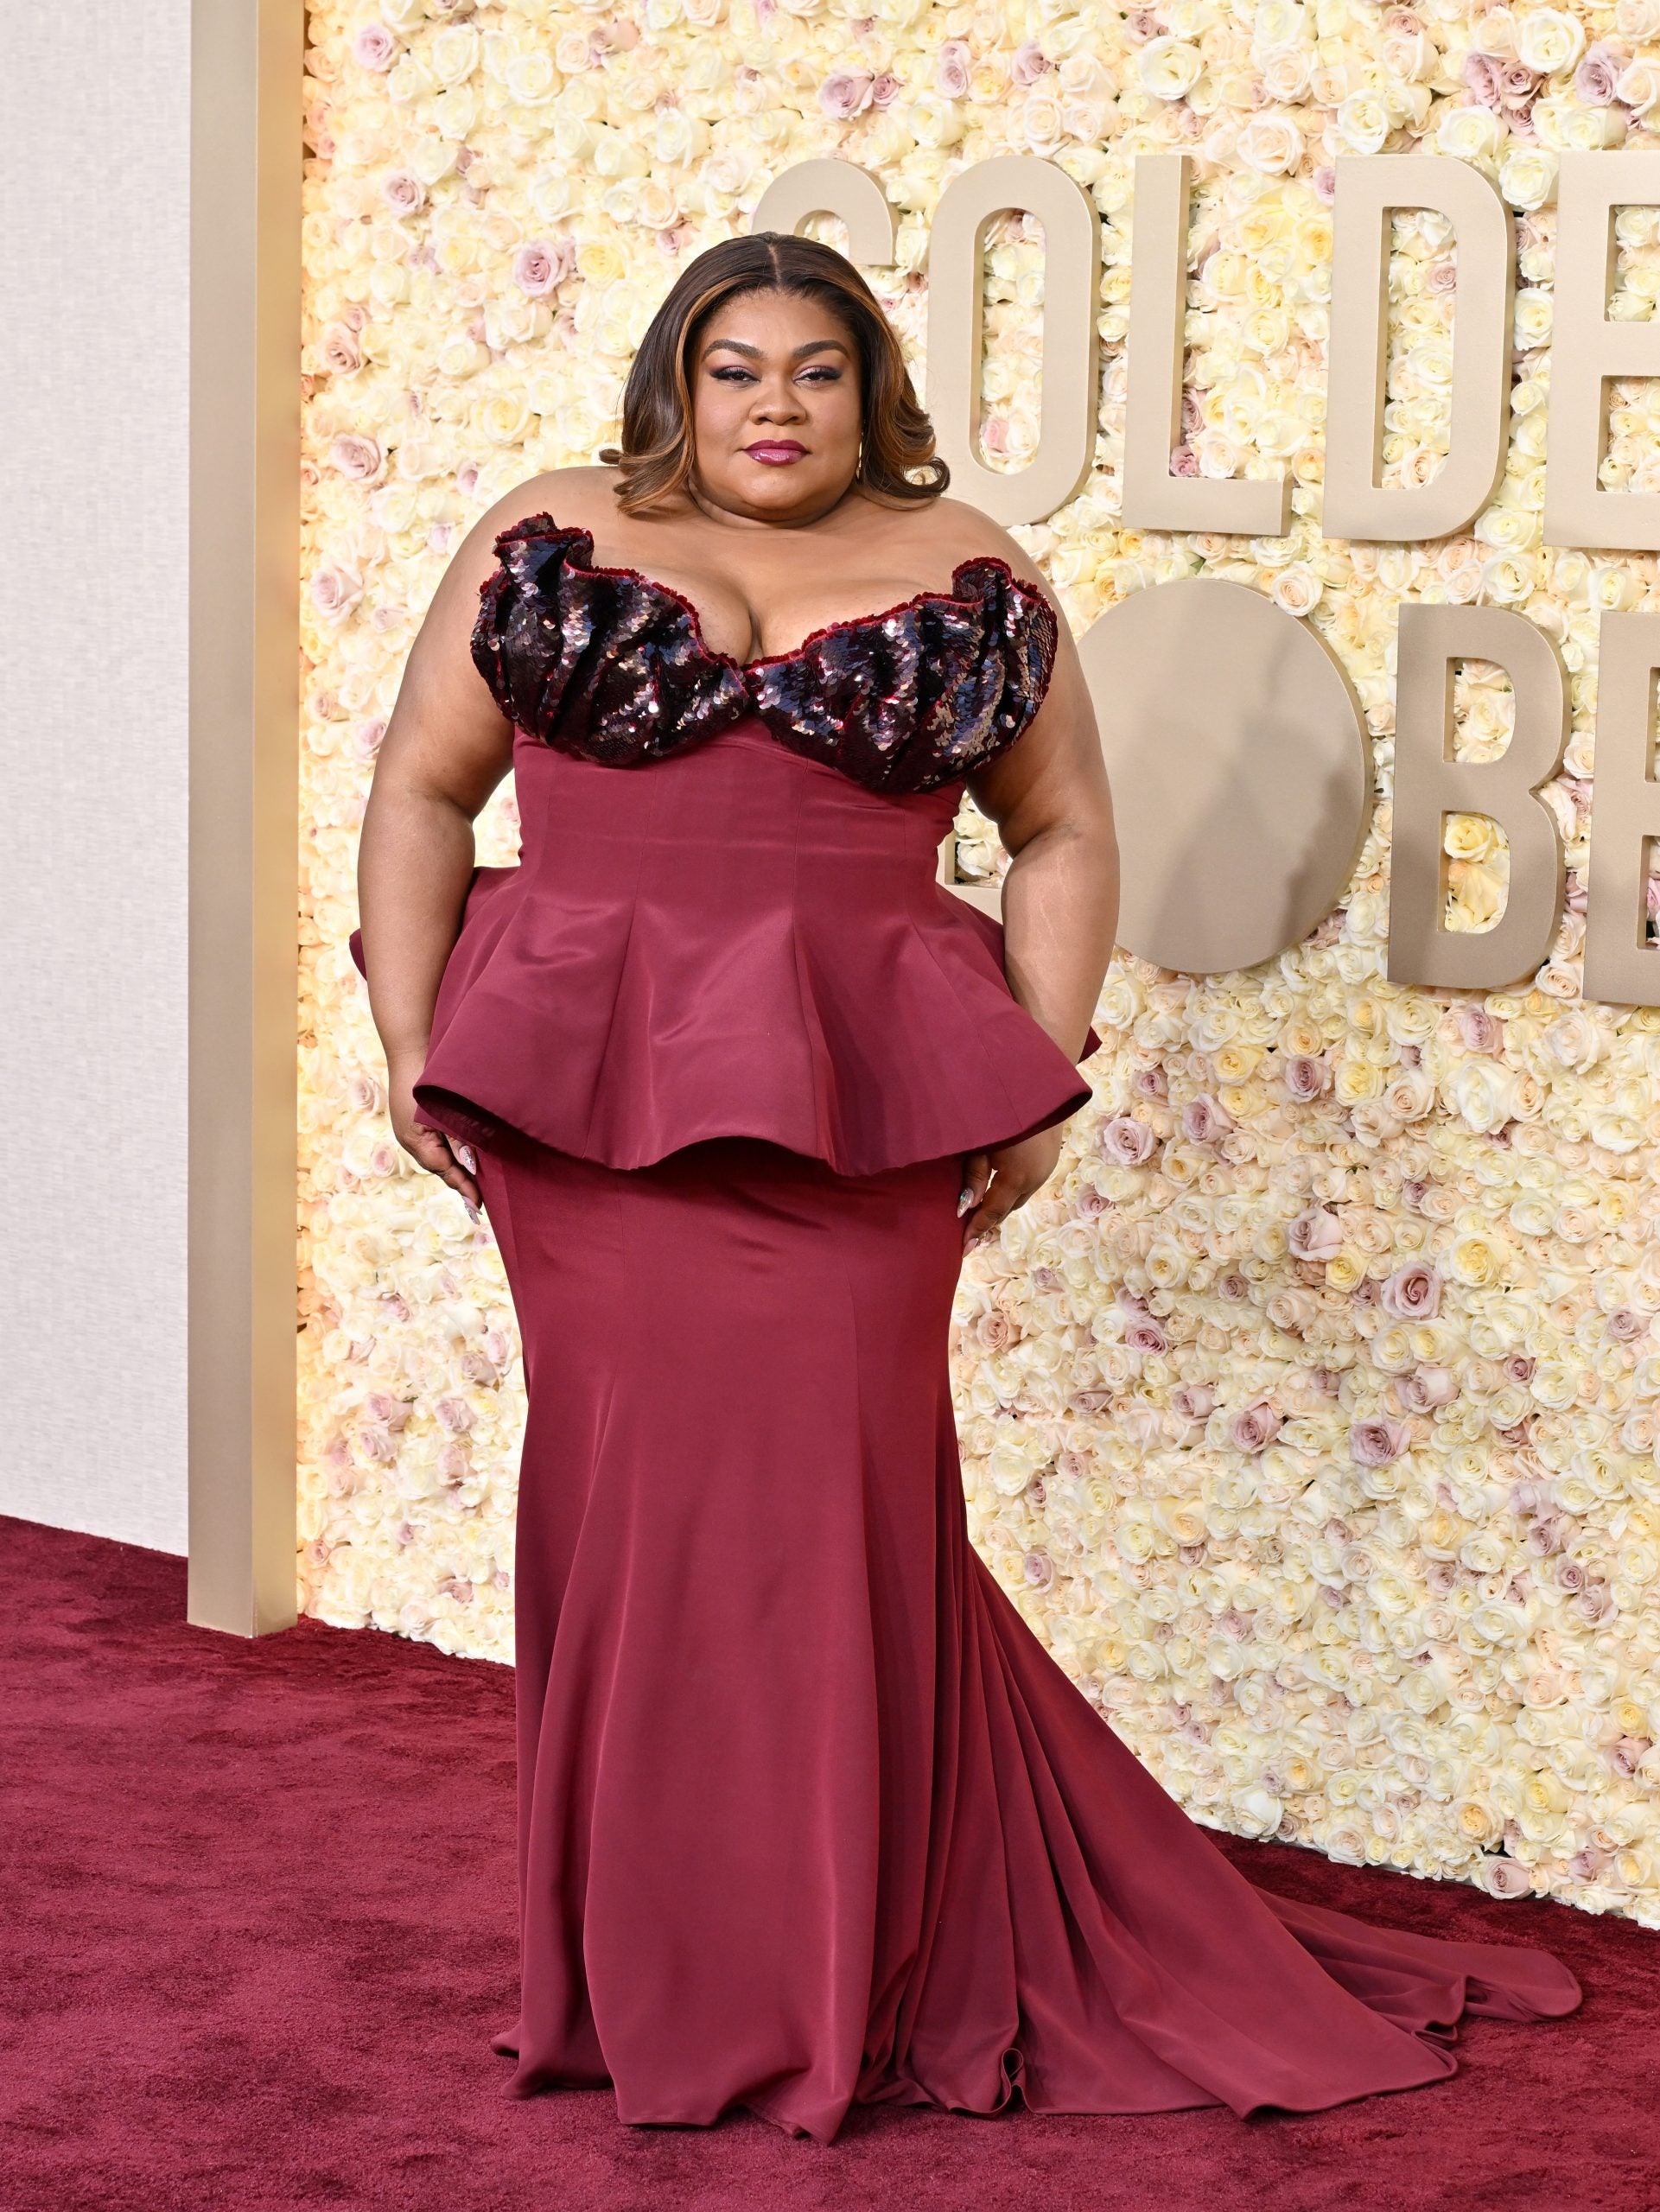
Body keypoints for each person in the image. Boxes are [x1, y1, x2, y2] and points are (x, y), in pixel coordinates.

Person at [353, 232, 1580, 2145]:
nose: (774, 405)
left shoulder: (966, 561)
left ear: (874, 393)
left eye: (816, 370)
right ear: (676, 382)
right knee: (630, 1506)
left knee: (839, 1512)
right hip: (584, 1101)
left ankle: (855, 1955)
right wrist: (410, 1031)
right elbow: (424, 788)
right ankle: (668, 1958)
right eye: (736, 368)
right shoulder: (548, 525)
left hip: (859, 1106)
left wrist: (1039, 1064)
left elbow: (1062, 825)